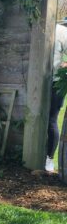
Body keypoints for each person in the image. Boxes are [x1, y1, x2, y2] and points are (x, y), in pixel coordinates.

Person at [45, 19, 67, 172]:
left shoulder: (61, 31)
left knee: (51, 119)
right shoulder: (36, 28)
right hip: (35, 82)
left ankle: (49, 159)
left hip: (56, 83)